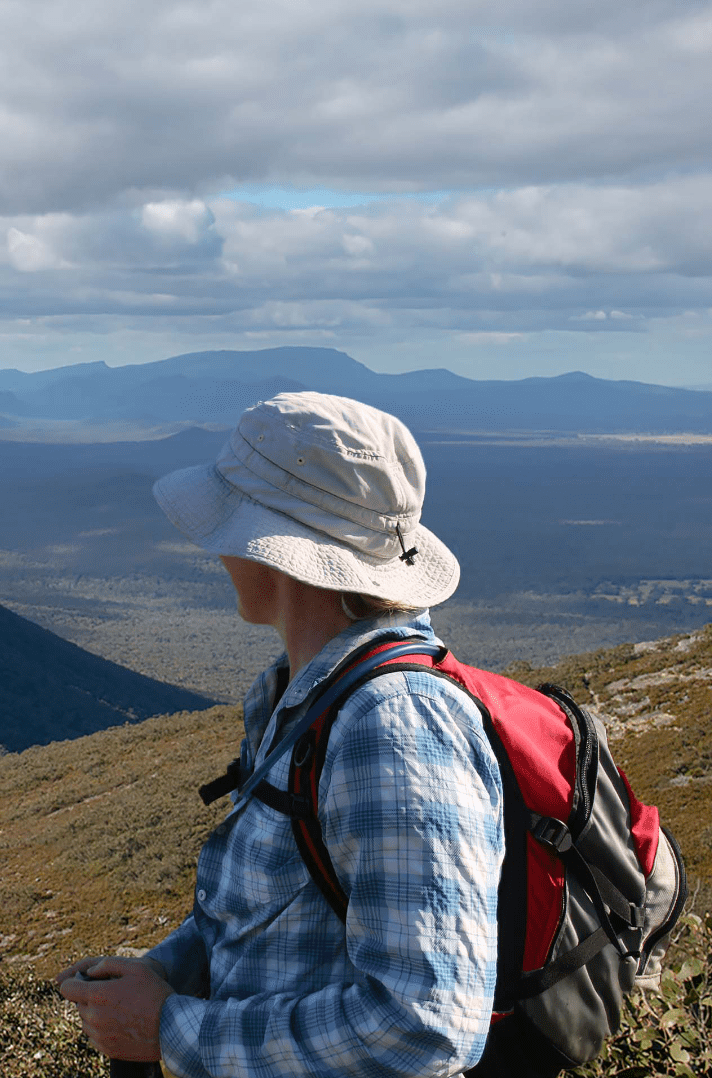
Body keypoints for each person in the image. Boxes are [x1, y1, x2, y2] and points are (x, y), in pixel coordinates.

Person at [57, 391, 506, 1076]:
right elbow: (268, 919)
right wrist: (163, 972)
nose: (217, 552)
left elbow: (426, 1026)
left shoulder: (390, 727)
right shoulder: (299, 700)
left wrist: (170, 1029)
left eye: (232, 529)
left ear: (279, 550)